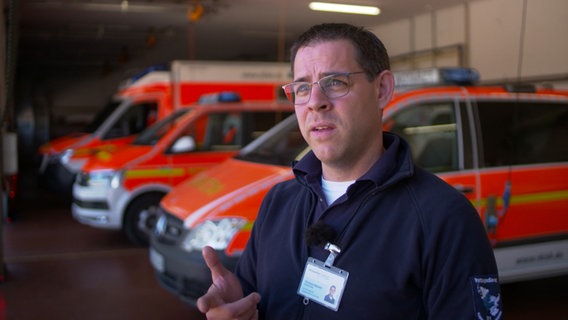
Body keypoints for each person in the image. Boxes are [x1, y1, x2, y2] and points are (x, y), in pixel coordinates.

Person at [197, 23, 502, 319]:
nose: (315, 102)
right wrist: (241, 303)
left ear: (382, 89)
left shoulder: (443, 218)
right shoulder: (278, 201)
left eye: (335, 82)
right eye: (302, 87)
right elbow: (256, 297)